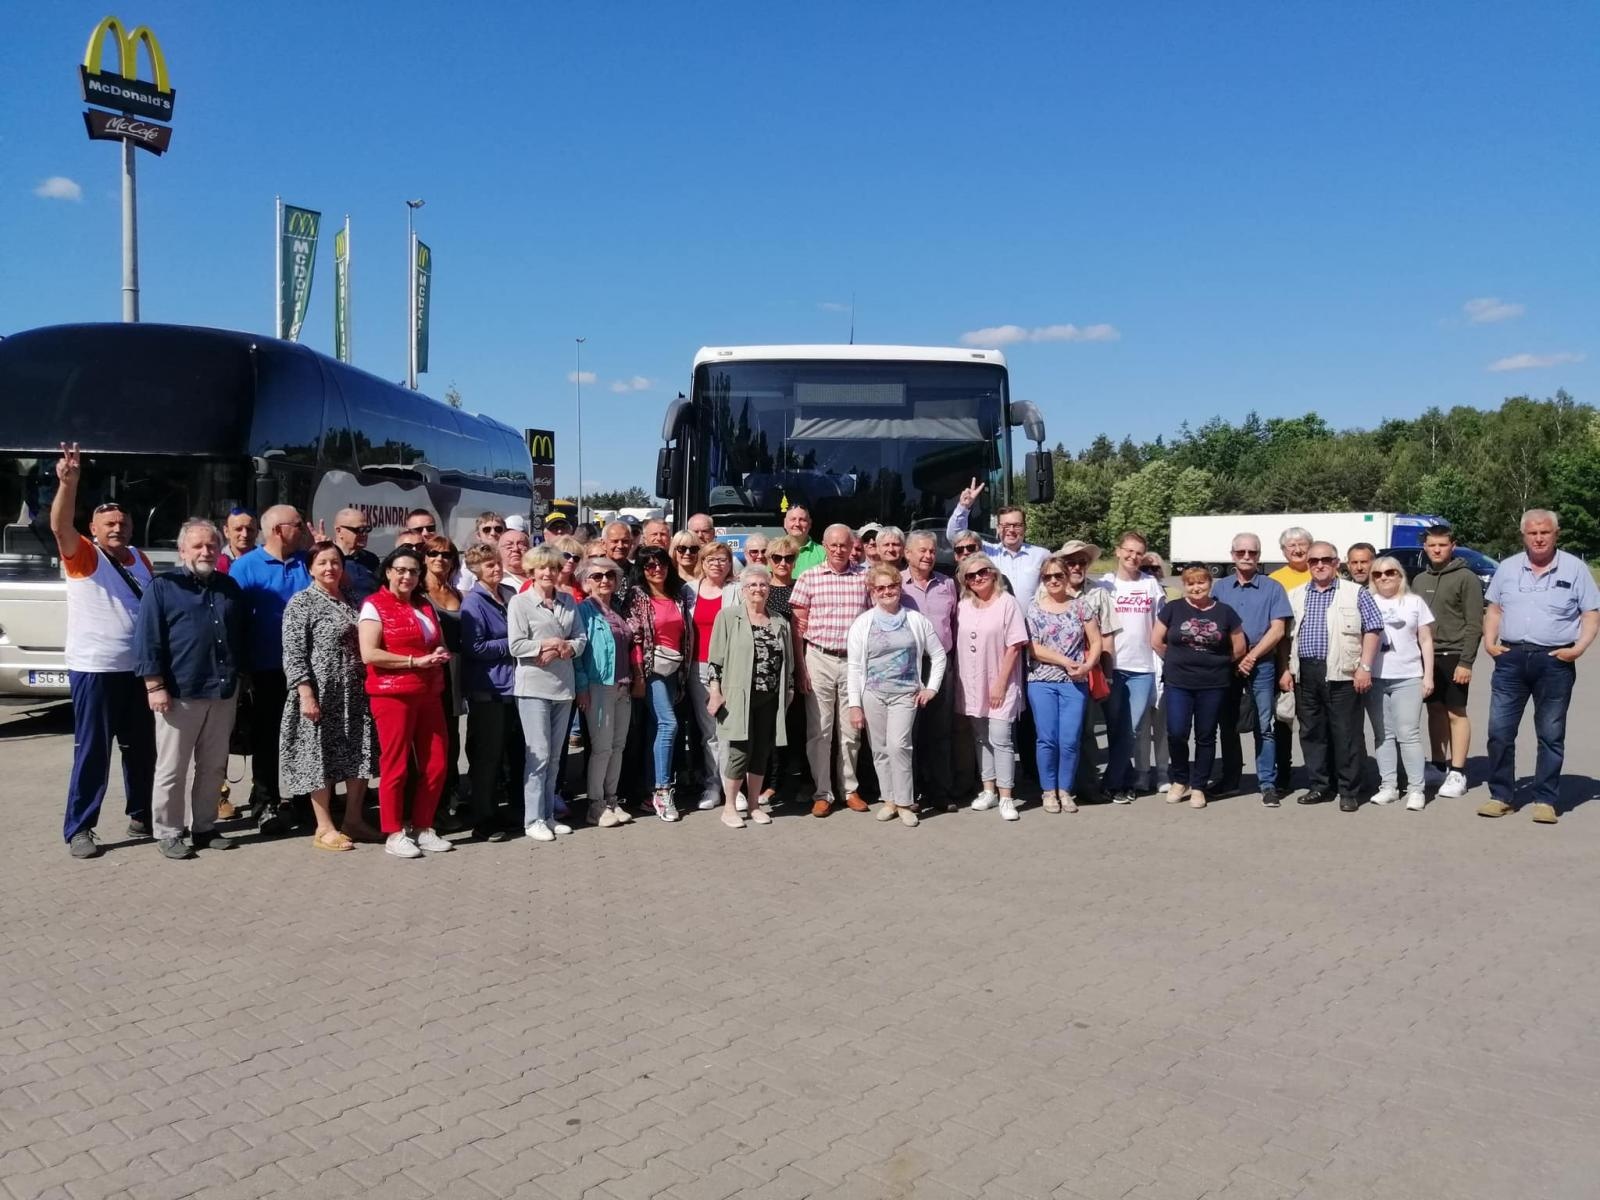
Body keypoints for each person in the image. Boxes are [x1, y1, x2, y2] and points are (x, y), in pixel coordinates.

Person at [49, 443, 155, 859]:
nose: (117, 528)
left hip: (138, 671)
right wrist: (68, 484)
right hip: (96, 669)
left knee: (142, 748)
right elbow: (60, 526)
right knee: (93, 751)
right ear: (92, 529)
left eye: (123, 523)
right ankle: (80, 828)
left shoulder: (140, 559)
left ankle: (142, 813)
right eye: (109, 523)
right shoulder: (84, 555)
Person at [134, 518, 246, 859]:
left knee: (213, 766)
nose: (205, 551)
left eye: (211, 545)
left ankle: (204, 827)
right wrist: (154, 686)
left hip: (223, 691)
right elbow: (148, 638)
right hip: (179, 693)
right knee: (172, 768)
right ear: (182, 550)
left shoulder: (229, 587)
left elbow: (239, 636)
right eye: (197, 546)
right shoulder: (163, 587)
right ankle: (168, 831)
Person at [1479, 509, 1600, 824]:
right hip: (1510, 658)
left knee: (1550, 733)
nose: (1539, 538)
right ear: (1523, 535)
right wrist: (1490, 643)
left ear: (1555, 534)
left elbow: (1590, 613)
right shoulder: (1507, 568)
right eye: (1532, 533)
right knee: (1499, 731)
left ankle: (1545, 799)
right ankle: (1501, 795)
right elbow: (1494, 608)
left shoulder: (1575, 569)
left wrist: (1579, 648)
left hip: (1554, 661)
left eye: (1545, 532)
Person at [278, 539, 379, 851]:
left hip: (354, 692)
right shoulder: (301, 603)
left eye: (335, 562)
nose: (330, 568)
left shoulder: (351, 598)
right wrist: (306, 694)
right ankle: (324, 827)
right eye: (322, 562)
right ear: (310, 568)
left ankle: (354, 820)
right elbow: (293, 653)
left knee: (358, 755)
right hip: (320, 694)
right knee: (318, 758)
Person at [358, 546, 454, 859]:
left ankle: (424, 827)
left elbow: (435, 642)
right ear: (387, 572)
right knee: (395, 765)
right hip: (393, 695)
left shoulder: (424, 605)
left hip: (428, 692)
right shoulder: (374, 605)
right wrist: (415, 661)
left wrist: (438, 653)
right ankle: (394, 831)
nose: (407, 576)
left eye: (413, 571)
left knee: (437, 762)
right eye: (400, 570)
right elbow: (369, 653)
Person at [228, 503, 313, 833]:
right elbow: (234, 621)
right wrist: (241, 668)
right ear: (279, 530)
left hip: (306, 670)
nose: (303, 529)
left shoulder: (307, 563)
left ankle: (306, 800)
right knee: (267, 740)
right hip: (265, 668)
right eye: (297, 524)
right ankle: (266, 803)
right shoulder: (245, 567)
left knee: (307, 737)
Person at [1281, 541, 1383, 811]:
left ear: (1337, 563)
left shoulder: (1355, 593)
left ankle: (1348, 790)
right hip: (1305, 672)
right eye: (1314, 561)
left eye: (1326, 559)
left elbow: (1373, 630)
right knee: (1312, 732)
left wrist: (1365, 667)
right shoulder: (1296, 595)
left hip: (1343, 673)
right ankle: (1320, 786)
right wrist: (1285, 669)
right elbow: (1284, 637)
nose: (1319, 564)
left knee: (1345, 733)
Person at [844, 563, 945, 827]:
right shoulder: (863, 623)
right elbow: (854, 667)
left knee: (899, 746)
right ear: (872, 591)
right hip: (873, 694)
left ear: (899, 588)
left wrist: (931, 687)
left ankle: (905, 802)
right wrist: (855, 705)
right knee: (879, 749)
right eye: (881, 588)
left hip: (906, 694)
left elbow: (938, 655)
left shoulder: (916, 620)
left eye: (892, 586)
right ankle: (889, 800)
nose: (887, 591)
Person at [507, 545, 587, 841]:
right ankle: (533, 819)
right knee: (538, 755)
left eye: (552, 568)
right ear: (532, 571)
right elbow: (516, 646)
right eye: (542, 568)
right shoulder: (520, 603)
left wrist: (565, 648)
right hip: (533, 687)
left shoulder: (568, 601)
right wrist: (549, 644)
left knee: (555, 756)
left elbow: (580, 638)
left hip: (563, 687)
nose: (547, 573)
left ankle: (549, 815)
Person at [790, 524, 870, 817]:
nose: (838, 550)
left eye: (844, 545)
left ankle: (849, 789)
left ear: (852, 547)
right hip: (819, 658)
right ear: (824, 546)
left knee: (851, 731)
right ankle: (823, 792)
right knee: (820, 730)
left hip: (853, 662)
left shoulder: (865, 577)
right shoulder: (809, 577)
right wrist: (801, 668)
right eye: (833, 545)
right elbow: (798, 629)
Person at [707, 564, 794, 828]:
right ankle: (730, 807)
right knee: (739, 752)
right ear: (743, 589)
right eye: (752, 585)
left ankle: (754, 804)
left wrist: (788, 690)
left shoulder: (779, 620)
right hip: (738, 696)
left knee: (761, 752)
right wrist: (715, 691)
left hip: (770, 698)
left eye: (763, 584)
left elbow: (788, 661)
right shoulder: (728, 616)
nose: (758, 589)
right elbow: (716, 659)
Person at [1153, 567, 1246, 809]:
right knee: (1176, 732)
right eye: (1191, 584)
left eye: (1201, 583)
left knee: (1206, 735)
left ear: (1209, 584)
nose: (1196, 588)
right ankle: (1180, 780)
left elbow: (1238, 647)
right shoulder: (1172, 609)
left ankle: (1199, 786)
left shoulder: (1225, 612)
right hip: (1178, 682)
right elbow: (1156, 641)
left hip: (1213, 683)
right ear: (1184, 585)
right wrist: (1175, 659)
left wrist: (1219, 663)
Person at [1213, 533, 1294, 806]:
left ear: (1259, 556)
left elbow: (1278, 629)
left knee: (1265, 724)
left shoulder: (1273, 588)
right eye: (1241, 552)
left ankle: (1267, 783)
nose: (1246, 557)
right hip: (1228, 666)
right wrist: (1235, 657)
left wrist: (1251, 657)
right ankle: (1230, 779)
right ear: (1232, 555)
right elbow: (1212, 626)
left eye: (1252, 553)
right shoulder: (1219, 588)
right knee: (1228, 724)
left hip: (1263, 665)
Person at [1026, 553, 1103, 814]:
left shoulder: (1082, 606)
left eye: (1058, 575)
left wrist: (1087, 665)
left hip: (1074, 681)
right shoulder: (1033, 608)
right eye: (1048, 576)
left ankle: (1065, 790)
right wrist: (1064, 661)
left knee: (1070, 740)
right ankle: (1048, 791)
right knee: (1047, 739)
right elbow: (1033, 648)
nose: (1053, 580)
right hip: (1041, 682)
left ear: (1067, 576)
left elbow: (1096, 641)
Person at [954, 553, 1028, 820]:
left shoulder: (1007, 603)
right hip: (972, 682)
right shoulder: (964, 605)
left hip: (1000, 682)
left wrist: (999, 684)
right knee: (981, 737)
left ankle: (1006, 795)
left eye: (982, 572)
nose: (977, 578)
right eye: (971, 576)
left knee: (1001, 738)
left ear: (993, 573)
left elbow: (1014, 646)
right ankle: (988, 790)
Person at [1413, 524, 1483, 799]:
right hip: (1427, 657)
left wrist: (1466, 661)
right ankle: (1438, 764)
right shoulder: (1419, 580)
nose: (1437, 549)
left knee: (1456, 712)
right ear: (1426, 547)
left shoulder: (1466, 577)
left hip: (1455, 655)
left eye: (1442, 544)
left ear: (1452, 546)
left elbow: (1474, 623)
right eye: (1432, 545)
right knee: (1434, 712)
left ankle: (1458, 771)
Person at [459, 544, 520, 841]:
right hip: (488, 688)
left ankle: (501, 811)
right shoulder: (473, 602)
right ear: (475, 570)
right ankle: (483, 818)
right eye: (488, 565)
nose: (495, 569)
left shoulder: (509, 593)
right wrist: (514, 643)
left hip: (515, 686)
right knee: (487, 757)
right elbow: (475, 647)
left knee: (508, 755)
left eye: (497, 563)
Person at [1365, 556, 1435, 810]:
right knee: (1383, 735)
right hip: (1375, 678)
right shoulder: (1366, 602)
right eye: (1377, 574)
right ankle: (1389, 786)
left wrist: (1428, 676)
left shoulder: (1414, 602)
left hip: (1408, 676)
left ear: (1400, 574)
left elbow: (1426, 640)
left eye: (1390, 572)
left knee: (1408, 734)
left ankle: (1416, 789)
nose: (1384, 577)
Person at [1101, 532, 1166, 804]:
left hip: (1141, 668)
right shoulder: (1104, 584)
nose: (1133, 557)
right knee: (1116, 727)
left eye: (1139, 553)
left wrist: (1161, 661)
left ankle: (1113, 782)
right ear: (1117, 551)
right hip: (1113, 665)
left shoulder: (1150, 584)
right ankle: (1122, 780)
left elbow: (1159, 626)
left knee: (1133, 727)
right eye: (1128, 551)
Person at [575, 556, 639, 828]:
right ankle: (595, 805)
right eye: (597, 576)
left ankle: (612, 799)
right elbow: (577, 654)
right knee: (601, 748)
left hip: (622, 684)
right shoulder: (582, 611)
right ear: (586, 582)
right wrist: (581, 687)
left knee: (618, 746)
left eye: (610, 576)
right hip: (597, 684)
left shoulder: (617, 610)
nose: (604, 581)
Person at [899, 530, 960, 812]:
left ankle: (940, 791)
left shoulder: (947, 584)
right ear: (907, 553)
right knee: (908, 731)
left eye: (932, 551)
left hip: (941, 663)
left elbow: (956, 623)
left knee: (940, 731)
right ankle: (909, 793)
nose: (927, 556)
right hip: (907, 665)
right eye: (921, 551)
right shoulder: (897, 584)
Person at [629, 544, 689, 821]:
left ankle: (647, 792)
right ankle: (663, 791)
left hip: (675, 668)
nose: (657, 569)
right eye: (650, 566)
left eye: (661, 564)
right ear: (642, 571)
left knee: (656, 728)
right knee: (669, 724)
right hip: (652, 669)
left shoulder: (677, 595)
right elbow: (637, 638)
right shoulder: (638, 597)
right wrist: (640, 674)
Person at [685, 540, 739, 809]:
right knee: (709, 732)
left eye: (722, 559)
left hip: (731, 668)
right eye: (711, 560)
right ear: (702, 564)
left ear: (730, 563)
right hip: (699, 667)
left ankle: (733, 785)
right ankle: (712, 785)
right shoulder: (689, 591)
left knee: (730, 729)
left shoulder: (736, 590)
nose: (717, 564)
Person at [946, 478, 1050, 606]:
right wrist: (964, 507)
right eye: (1005, 525)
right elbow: (956, 536)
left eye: (1017, 525)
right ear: (998, 528)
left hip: (1032, 624)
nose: (1011, 530)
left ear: (1025, 527)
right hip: (997, 623)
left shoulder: (1042, 555)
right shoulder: (987, 552)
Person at [423, 536, 466, 823]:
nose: (440, 558)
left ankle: (449, 798)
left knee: (451, 739)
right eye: (433, 553)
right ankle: (427, 805)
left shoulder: (457, 593)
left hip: (456, 674)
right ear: (424, 557)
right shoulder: (416, 592)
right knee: (429, 742)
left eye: (446, 554)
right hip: (427, 673)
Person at [1268, 526, 1314, 791]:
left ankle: (1319, 773)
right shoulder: (1276, 579)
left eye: (1302, 545)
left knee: (1314, 720)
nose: (1297, 550)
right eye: (1291, 546)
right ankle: (1282, 774)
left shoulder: (1321, 570)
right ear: (1283, 551)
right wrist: (1282, 666)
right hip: (1283, 655)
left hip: (1315, 657)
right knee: (1283, 719)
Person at [331, 508, 381, 601]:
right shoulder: (329, 561)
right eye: (359, 529)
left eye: (367, 529)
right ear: (339, 531)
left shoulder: (371, 559)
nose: (364, 534)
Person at [784, 506, 824, 575]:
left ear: (810, 523)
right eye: (793, 519)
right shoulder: (773, 549)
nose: (797, 524)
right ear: (785, 523)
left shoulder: (823, 553)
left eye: (802, 520)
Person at [217, 507, 258, 573]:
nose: (245, 534)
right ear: (226, 532)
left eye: (249, 529)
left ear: (257, 532)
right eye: (238, 529)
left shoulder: (268, 562)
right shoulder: (214, 562)